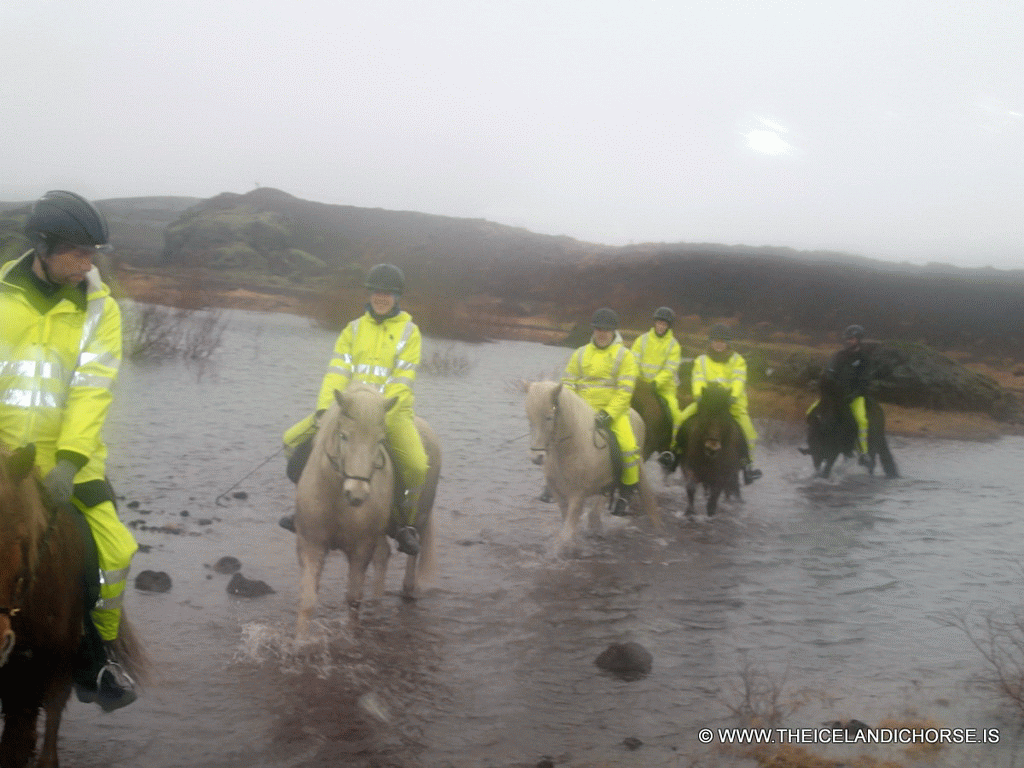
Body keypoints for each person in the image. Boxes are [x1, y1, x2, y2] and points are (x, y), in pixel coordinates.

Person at [0, 190, 138, 710]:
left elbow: (92, 389)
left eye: (92, 253)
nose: (88, 263)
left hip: (69, 458)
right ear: (42, 247)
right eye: (77, 253)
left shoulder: (101, 311)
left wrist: (70, 461)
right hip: (1, 454)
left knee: (117, 552)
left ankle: (96, 656)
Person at [280, 263, 429, 555]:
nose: (381, 297)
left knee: (417, 466)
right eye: (377, 292)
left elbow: (402, 381)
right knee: (291, 440)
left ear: (397, 297)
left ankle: (403, 525)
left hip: (389, 414)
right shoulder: (353, 328)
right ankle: (305, 509)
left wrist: (378, 415)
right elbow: (336, 372)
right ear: (370, 293)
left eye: (388, 293)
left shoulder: (410, 332)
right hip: (347, 412)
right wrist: (326, 409)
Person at [562, 308, 641, 516]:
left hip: (613, 411)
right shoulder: (579, 354)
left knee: (628, 446)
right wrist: (571, 409)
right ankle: (552, 481)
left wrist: (609, 413)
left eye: (606, 330)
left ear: (614, 331)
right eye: (598, 329)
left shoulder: (625, 356)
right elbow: (568, 385)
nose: (602, 333)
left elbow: (625, 392)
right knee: (556, 437)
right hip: (582, 410)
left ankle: (627, 490)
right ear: (594, 330)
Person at [678, 323, 763, 484]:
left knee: (748, 431)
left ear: (728, 343)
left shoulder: (738, 361)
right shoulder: (701, 360)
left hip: (731, 404)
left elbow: (739, 380)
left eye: (722, 341)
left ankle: (747, 465)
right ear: (711, 342)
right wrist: (698, 395)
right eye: (716, 341)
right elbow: (698, 379)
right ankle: (675, 453)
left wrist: (733, 395)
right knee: (681, 419)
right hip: (706, 403)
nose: (719, 344)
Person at [630, 306, 684, 470]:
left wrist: (656, 383)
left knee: (675, 414)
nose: (661, 326)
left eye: (664, 324)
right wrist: (638, 381)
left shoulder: (674, 345)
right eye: (659, 323)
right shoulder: (642, 340)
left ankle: (669, 449)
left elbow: (670, 369)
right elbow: (633, 360)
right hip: (640, 386)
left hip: (663, 388)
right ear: (655, 323)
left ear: (668, 326)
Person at [824, 324, 873, 469]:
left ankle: (863, 453)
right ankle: (814, 444)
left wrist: (853, 395)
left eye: (851, 339)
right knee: (811, 411)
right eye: (847, 338)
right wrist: (829, 381)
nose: (848, 341)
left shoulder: (864, 358)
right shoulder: (838, 355)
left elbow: (864, 381)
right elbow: (830, 372)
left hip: (855, 397)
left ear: (858, 339)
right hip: (837, 394)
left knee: (861, 420)